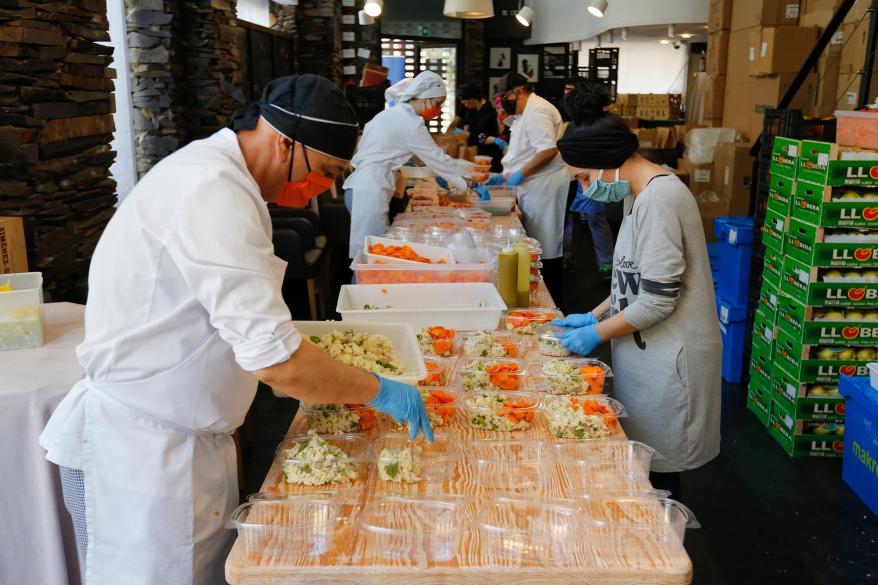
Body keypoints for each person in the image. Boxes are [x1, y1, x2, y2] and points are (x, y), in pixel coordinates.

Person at [39, 75, 434, 585]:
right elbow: (277, 362)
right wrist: (378, 390)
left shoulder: (227, 179)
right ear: (284, 141)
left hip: (186, 432)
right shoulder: (212, 190)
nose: (324, 188)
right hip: (145, 450)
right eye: (325, 171)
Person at [553, 80, 721, 498]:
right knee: (643, 462)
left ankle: (667, 548)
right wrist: (596, 313)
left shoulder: (661, 200)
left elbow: (657, 299)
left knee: (659, 477)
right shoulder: (637, 191)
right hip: (647, 352)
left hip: (670, 358)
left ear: (607, 161)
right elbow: (634, 275)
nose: (585, 188)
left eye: (584, 177)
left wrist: (595, 335)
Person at [343, 71, 490, 258]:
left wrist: (438, 175)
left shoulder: (395, 115)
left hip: (363, 186)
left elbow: (414, 154)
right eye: (437, 104)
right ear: (424, 98)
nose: (438, 109)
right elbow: (436, 157)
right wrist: (471, 184)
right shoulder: (410, 123)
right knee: (371, 257)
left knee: (374, 252)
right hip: (369, 190)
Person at [486, 72, 571, 302]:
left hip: (544, 185)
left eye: (505, 96)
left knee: (545, 244)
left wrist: (518, 175)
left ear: (519, 91)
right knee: (533, 242)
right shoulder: (525, 112)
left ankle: (551, 301)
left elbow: (547, 150)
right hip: (530, 184)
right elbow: (523, 150)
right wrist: (505, 175)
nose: (504, 101)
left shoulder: (537, 110)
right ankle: (537, 294)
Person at [457, 83, 503, 172]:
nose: (465, 105)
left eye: (466, 102)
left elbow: (481, 137)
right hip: (477, 155)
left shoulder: (489, 113)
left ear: (473, 99)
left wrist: (468, 134)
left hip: (490, 158)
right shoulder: (472, 112)